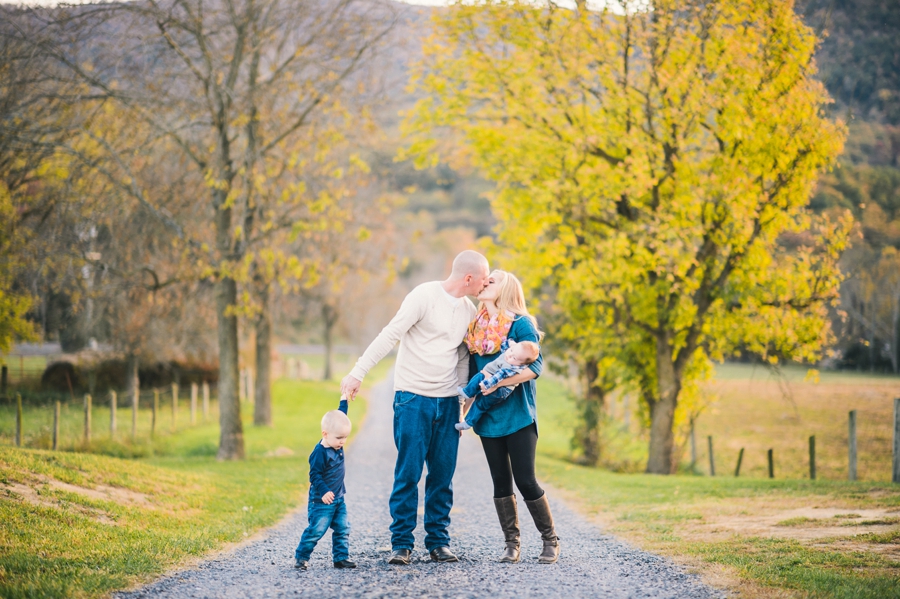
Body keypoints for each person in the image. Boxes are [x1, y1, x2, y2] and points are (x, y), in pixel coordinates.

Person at [340, 250, 490, 565]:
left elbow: (463, 357)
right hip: (412, 398)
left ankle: (438, 542)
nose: (486, 283)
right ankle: (401, 544)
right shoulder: (423, 296)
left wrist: (462, 401)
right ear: (468, 278)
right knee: (408, 472)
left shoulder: (467, 311)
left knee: (442, 475)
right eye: (483, 278)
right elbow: (390, 334)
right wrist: (358, 373)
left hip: (448, 403)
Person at [463, 270, 560, 564]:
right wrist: (465, 405)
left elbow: (535, 368)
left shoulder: (521, 324)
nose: (484, 283)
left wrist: (497, 383)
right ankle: (511, 544)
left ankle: (550, 540)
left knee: (526, 480)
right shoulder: (475, 329)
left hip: (518, 415)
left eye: (492, 281)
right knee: (500, 481)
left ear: (506, 289)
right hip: (488, 418)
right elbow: (471, 374)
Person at [294, 398, 357, 571]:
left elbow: (341, 417)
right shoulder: (320, 453)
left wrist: (344, 399)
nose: (342, 442)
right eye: (339, 438)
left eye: (345, 437)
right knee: (316, 530)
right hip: (322, 501)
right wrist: (324, 491)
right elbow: (314, 475)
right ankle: (301, 557)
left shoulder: (335, 441)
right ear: (325, 434)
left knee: (343, 528)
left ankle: (341, 558)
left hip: (339, 499)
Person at [454, 339, 541, 431]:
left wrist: (486, 384)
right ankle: (467, 396)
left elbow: (496, 378)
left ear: (522, 364)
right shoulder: (511, 355)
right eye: (511, 350)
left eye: (514, 357)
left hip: (499, 390)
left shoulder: (511, 368)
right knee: (480, 389)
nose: (509, 355)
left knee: (480, 403)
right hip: (493, 382)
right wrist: (511, 343)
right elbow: (504, 346)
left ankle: (468, 420)